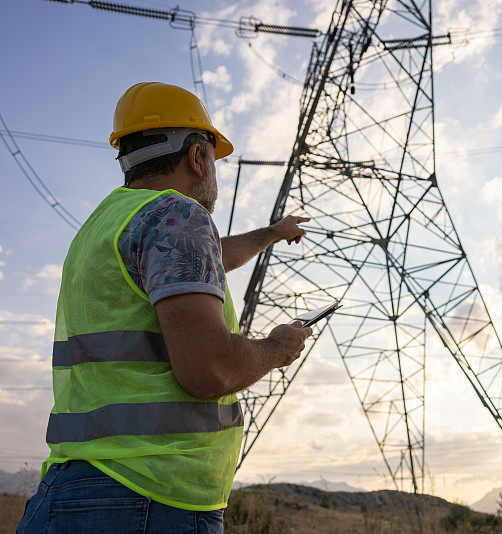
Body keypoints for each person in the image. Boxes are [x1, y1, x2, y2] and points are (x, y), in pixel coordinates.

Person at [17, 82, 312, 533]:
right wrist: (279, 346)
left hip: (72, 491)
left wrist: (271, 234)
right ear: (197, 157)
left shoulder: (104, 225)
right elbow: (209, 370)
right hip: (149, 498)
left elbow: (200, 260)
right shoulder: (179, 215)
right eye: (214, 158)